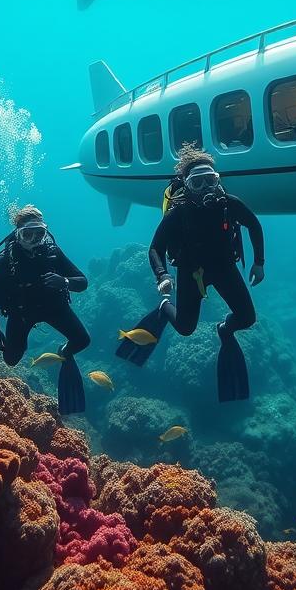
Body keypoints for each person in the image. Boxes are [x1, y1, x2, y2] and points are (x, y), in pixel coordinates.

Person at [117, 144, 265, 403]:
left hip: (223, 266)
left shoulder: (229, 204)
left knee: (247, 318)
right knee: (186, 328)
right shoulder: (178, 213)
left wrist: (259, 262)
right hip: (191, 270)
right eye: (198, 183)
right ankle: (164, 307)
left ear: (218, 181)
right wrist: (162, 275)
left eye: (211, 180)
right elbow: (155, 248)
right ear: (186, 186)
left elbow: (253, 225)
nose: (207, 188)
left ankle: (224, 329)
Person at [0, 205, 90, 414]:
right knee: (11, 359)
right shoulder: (4, 261)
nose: (34, 240)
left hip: (54, 308)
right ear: (18, 233)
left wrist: (65, 281)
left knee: (83, 340)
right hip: (22, 313)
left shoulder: (52, 253)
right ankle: (29, 344)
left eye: (40, 233)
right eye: (28, 234)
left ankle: (63, 351)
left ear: (45, 232)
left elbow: (83, 282)